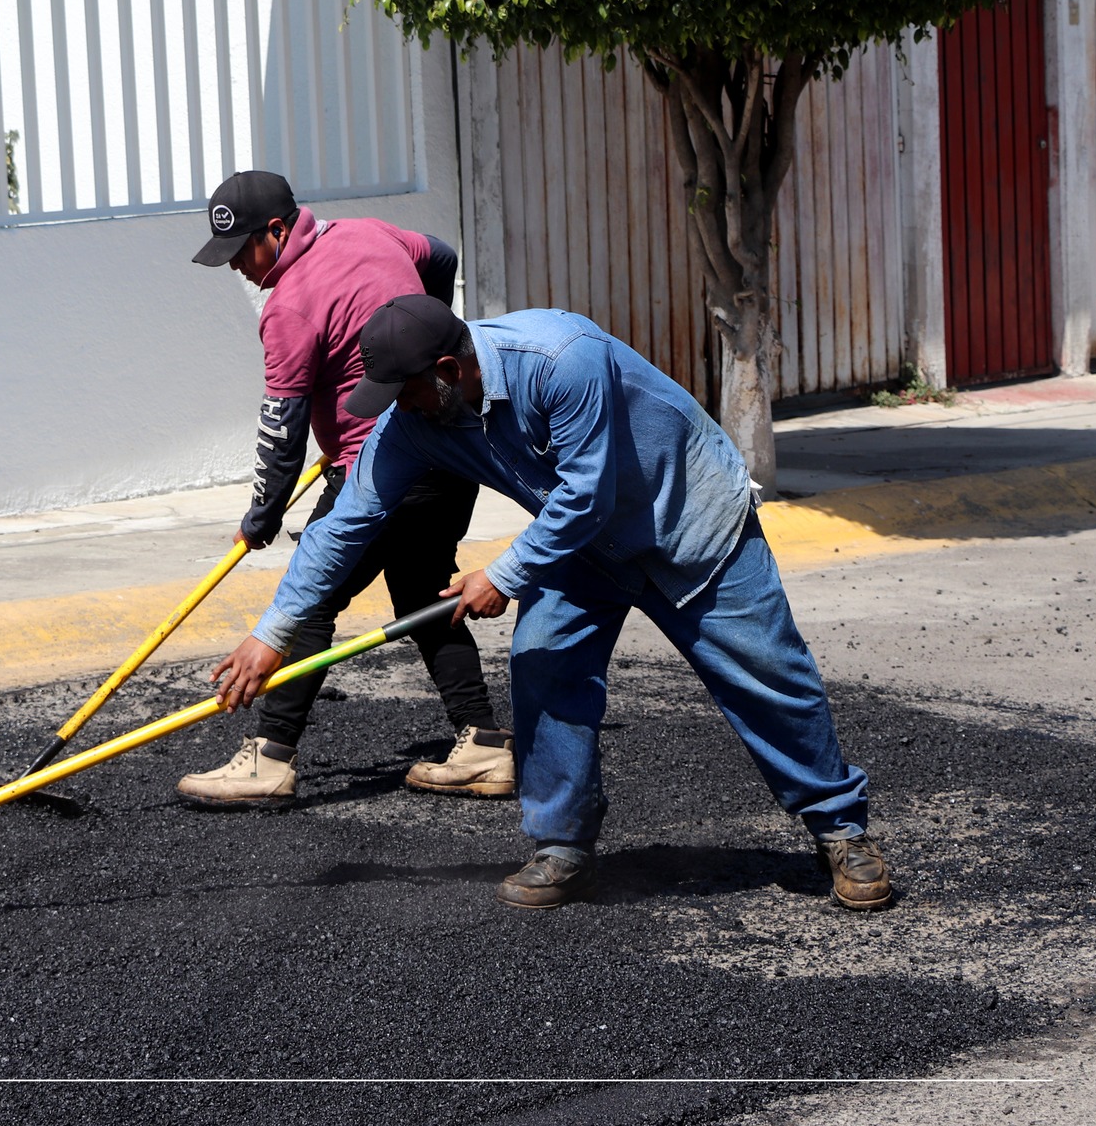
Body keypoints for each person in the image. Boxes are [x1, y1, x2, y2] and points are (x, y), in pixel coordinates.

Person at [209, 295, 892, 911]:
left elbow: (587, 493)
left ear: (450, 368)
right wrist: (274, 631)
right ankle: (563, 843)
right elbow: (344, 525)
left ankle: (840, 828)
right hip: (583, 548)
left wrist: (502, 573)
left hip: (689, 516)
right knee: (544, 660)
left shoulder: (561, 358)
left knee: (765, 670)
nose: (400, 407)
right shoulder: (414, 423)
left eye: (408, 391)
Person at [180, 171, 512, 807]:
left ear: (278, 231)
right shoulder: (374, 233)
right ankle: (486, 745)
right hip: (449, 451)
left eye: (243, 251)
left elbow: (283, 428)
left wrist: (262, 517)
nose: (238, 269)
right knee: (421, 589)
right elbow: (440, 254)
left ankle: (270, 758)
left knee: (310, 595)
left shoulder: (288, 307)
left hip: (380, 465)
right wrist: (426, 326)